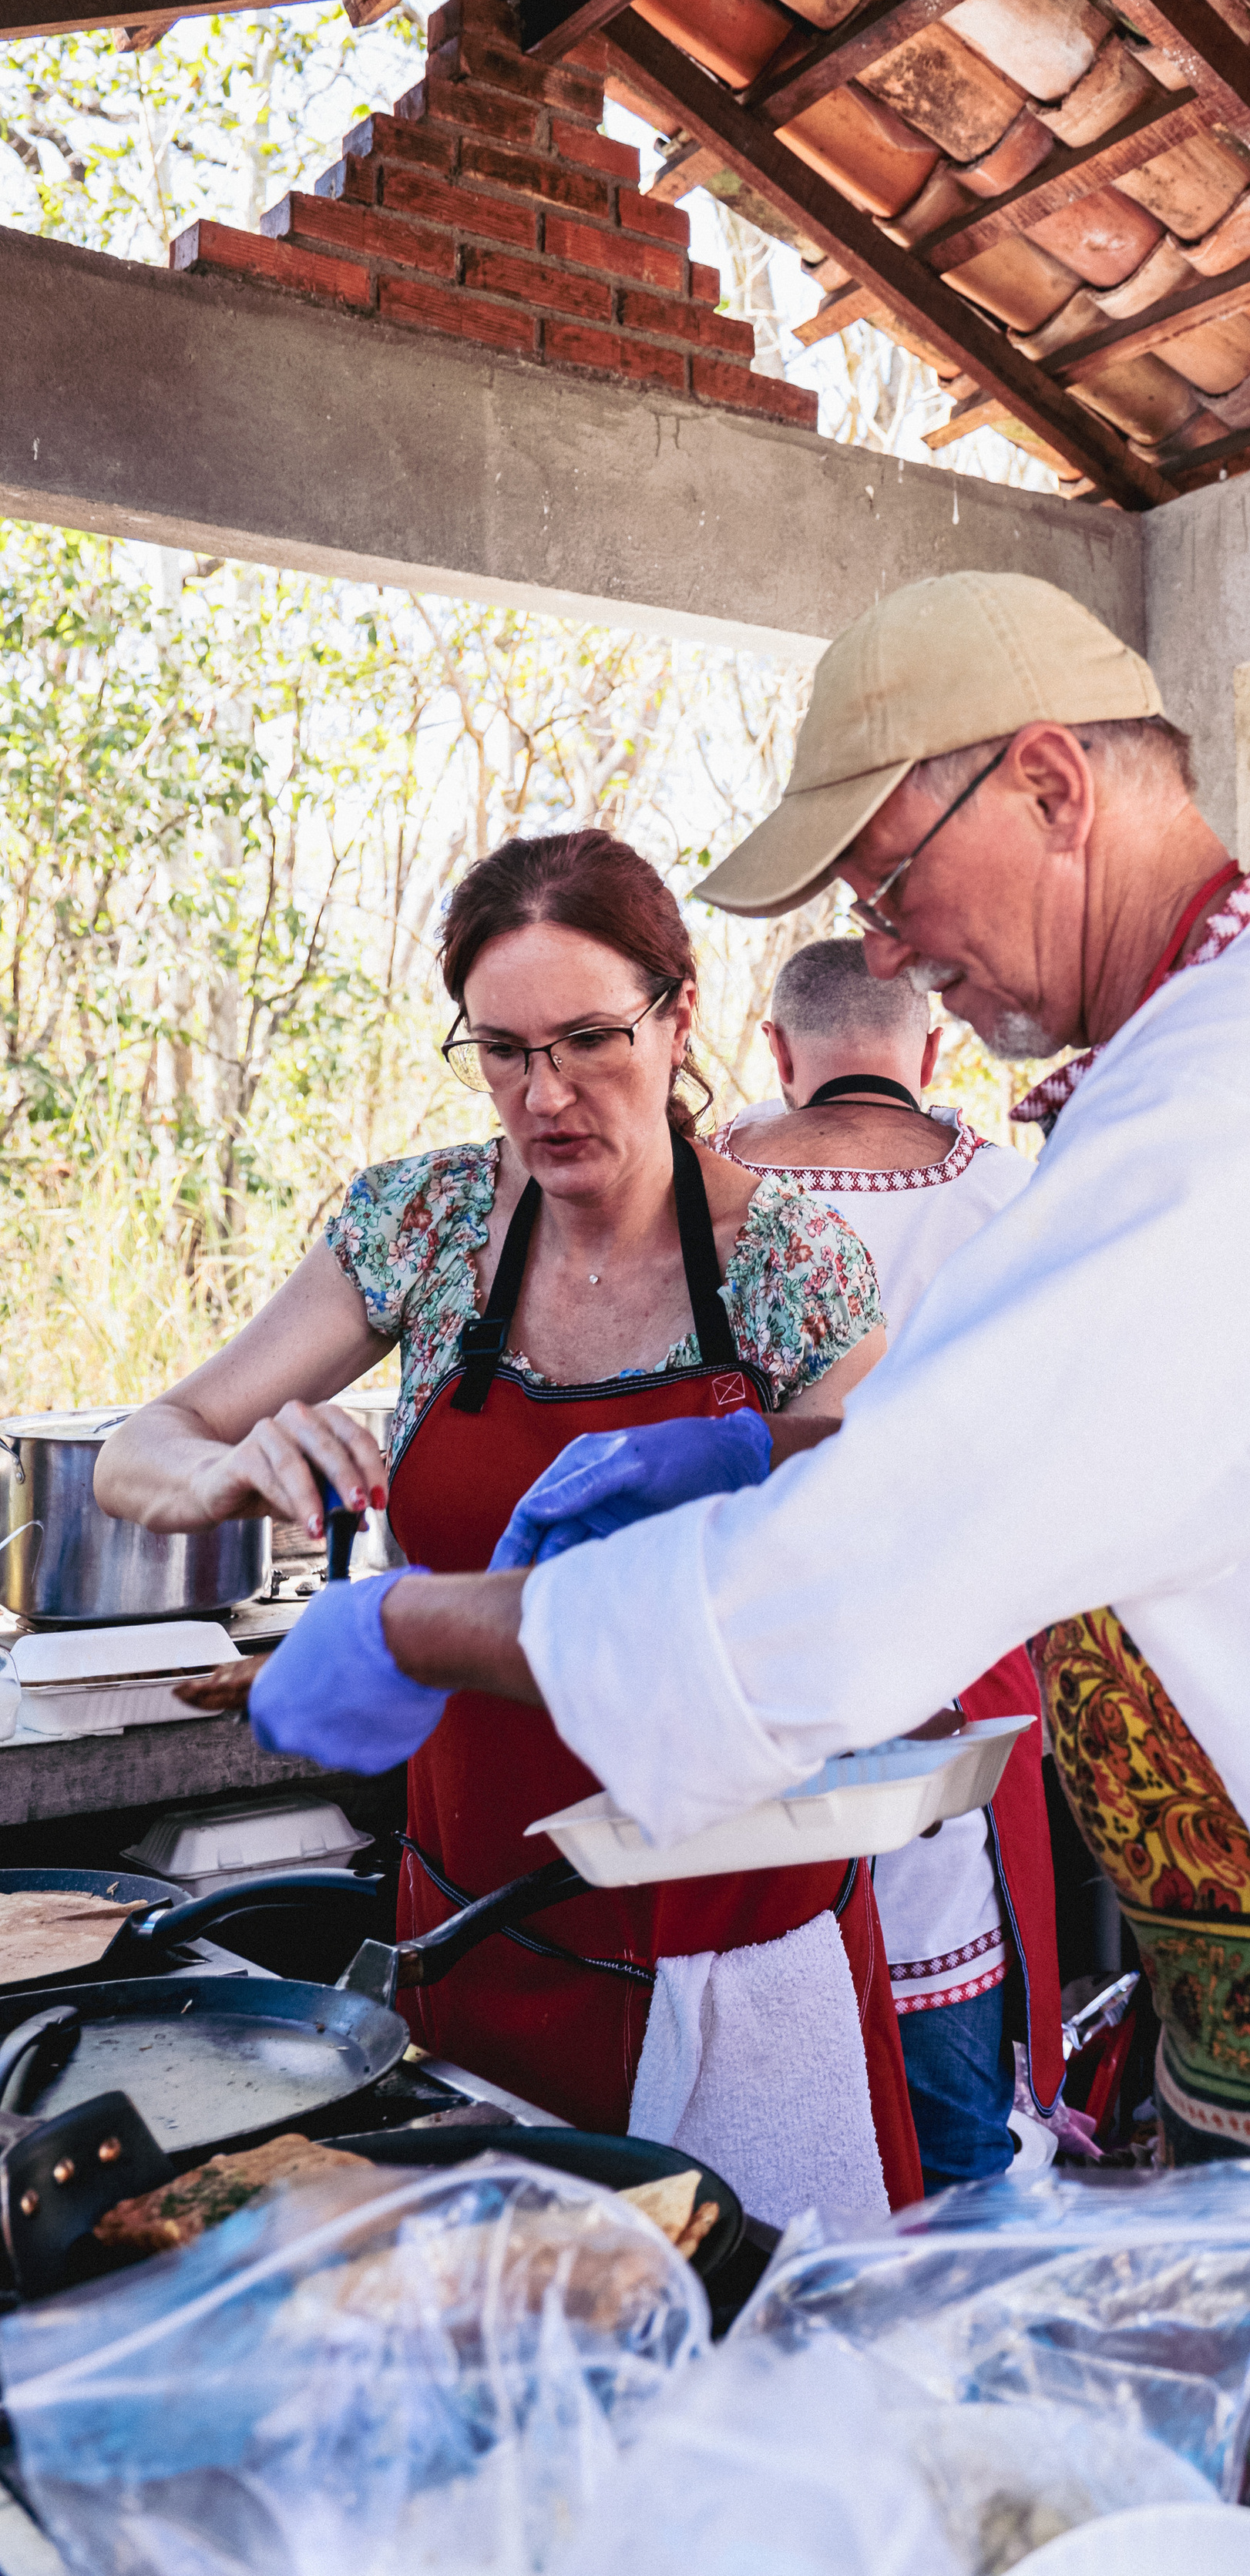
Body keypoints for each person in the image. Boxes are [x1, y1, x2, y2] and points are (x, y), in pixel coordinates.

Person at [243, 574, 1250, 2576]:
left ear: (1057, 782)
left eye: (898, 878)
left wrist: (432, 1622)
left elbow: (894, 1563)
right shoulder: (1231, 1043)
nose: (890, 945)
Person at [97, 829, 920, 2221]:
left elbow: (891, 1537)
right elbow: (143, 1447)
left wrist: (756, 1454)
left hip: (734, 1940)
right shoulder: (422, 1226)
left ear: (681, 1015)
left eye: (593, 1039)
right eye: (502, 1051)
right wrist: (225, 1475)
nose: (547, 1097)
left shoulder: (790, 1266)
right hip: (474, 1913)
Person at [714, 935, 1062, 2185]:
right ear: (929, 1051)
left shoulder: (709, 1192)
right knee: (951, 2123)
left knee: (747, 2108)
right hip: (948, 1697)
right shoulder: (1010, 1197)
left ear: (775, 1051)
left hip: (736, 1687)